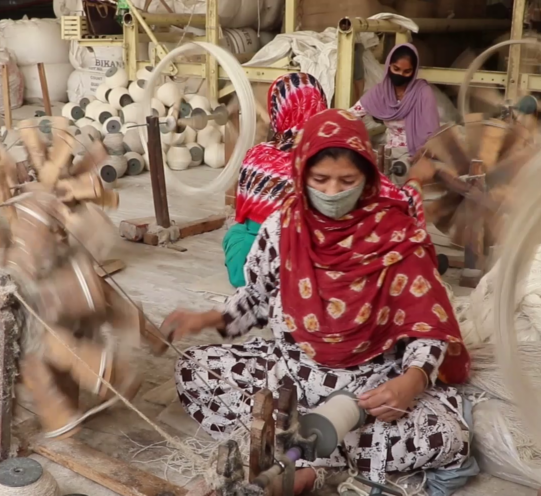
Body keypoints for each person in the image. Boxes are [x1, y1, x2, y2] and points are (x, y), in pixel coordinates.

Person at [166, 109, 471, 493]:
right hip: (292, 374)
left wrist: (411, 382)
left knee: (447, 436)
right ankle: (313, 453)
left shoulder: (394, 234)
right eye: (320, 179)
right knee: (194, 370)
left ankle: (306, 464)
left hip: (370, 387)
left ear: (368, 178)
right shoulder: (282, 228)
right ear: (301, 173)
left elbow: (427, 327)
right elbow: (257, 298)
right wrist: (207, 318)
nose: (332, 192)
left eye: (346, 181)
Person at [224, 73, 329, 288]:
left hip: (261, 258)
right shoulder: (334, 158)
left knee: (235, 234)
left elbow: (243, 216)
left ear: (277, 110)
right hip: (312, 257)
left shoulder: (257, 156)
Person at [350, 44, 440, 171]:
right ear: (388, 66)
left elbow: (432, 130)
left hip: (416, 155)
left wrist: (422, 155)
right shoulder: (380, 92)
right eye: (396, 69)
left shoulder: (422, 92)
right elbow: (352, 115)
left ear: (414, 72)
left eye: (407, 71)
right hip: (389, 154)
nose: (400, 74)